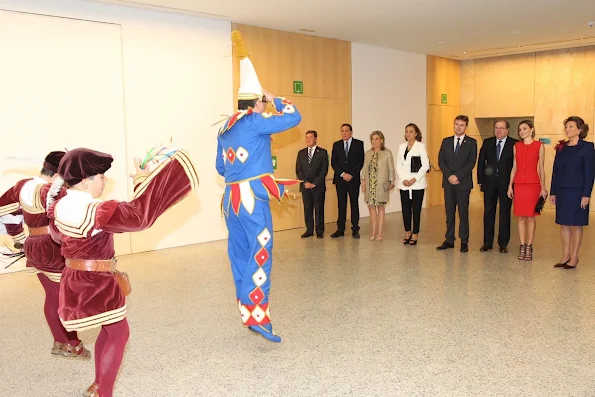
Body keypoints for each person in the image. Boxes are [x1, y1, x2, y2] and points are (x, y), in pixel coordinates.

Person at [49, 147, 198, 397]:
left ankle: (99, 384)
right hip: (96, 281)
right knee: (119, 332)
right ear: (85, 181)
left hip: (75, 278)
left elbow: (56, 236)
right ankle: (104, 392)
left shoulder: (61, 205)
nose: (104, 181)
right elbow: (140, 217)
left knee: (108, 330)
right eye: (100, 177)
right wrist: (144, 179)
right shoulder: (96, 209)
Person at [216, 31, 302, 343]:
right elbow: (294, 116)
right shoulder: (255, 121)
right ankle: (258, 315)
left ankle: (245, 308)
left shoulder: (225, 129)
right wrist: (274, 98)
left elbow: (221, 168)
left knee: (238, 252)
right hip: (252, 198)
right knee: (261, 250)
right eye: (262, 103)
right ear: (257, 103)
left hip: (230, 199)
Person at [0, 151, 91, 359]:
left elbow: (6, 210)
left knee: (52, 296)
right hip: (52, 248)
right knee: (64, 299)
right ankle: (72, 344)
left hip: (33, 246)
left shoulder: (22, 185)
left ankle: (60, 342)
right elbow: (72, 217)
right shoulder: (52, 191)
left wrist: (20, 238)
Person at [550, 116, 595, 269]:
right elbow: (555, 171)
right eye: (566, 127)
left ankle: (574, 256)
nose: (567, 130)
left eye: (570, 127)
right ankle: (565, 255)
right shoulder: (561, 148)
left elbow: (590, 173)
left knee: (576, 224)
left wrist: (586, 194)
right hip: (562, 190)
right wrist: (553, 192)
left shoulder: (587, 147)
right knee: (563, 223)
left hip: (578, 192)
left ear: (580, 130)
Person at [436, 115, 478, 253]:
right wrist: (449, 176)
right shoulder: (446, 141)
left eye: (461, 125)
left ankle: (464, 241)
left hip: (463, 183)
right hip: (448, 183)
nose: (458, 127)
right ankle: (449, 239)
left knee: (463, 213)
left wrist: (457, 176)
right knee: (449, 213)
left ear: (466, 127)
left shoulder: (472, 142)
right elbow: (441, 161)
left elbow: (471, 162)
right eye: (456, 124)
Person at [507, 120, 547, 261]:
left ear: (532, 129)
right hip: (519, 184)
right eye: (519, 130)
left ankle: (529, 246)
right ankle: (522, 245)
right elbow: (514, 167)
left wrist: (543, 187)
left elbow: (541, 168)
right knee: (520, 216)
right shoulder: (516, 146)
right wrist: (510, 186)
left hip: (533, 184)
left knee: (530, 216)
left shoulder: (539, 145)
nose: (521, 131)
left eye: (524, 128)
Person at [477, 120, 517, 253]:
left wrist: (513, 184)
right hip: (489, 184)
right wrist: (480, 181)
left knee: (505, 213)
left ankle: (503, 243)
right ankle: (487, 242)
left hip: (507, 185)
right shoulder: (488, 142)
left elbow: (516, 166)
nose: (498, 131)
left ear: (507, 130)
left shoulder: (514, 144)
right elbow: (481, 162)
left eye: (501, 128)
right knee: (488, 212)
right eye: (496, 128)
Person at [396, 123, 429, 245]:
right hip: (403, 183)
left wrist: (414, 179)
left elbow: (425, 165)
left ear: (416, 133)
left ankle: (415, 233)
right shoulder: (401, 146)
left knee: (416, 210)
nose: (408, 133)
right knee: (405, 209)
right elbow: (398, 164)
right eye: (406, 131)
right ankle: (407, 231)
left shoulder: (420, 146)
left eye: (411, 131)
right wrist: (403, 179)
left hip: (417, 184)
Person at [330, 123, 365, 238]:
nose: (344, 133)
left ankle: (355, 229)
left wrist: (351, 174)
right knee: (341, 204)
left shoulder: (359, 144)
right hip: (340, 180)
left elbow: (360, 161)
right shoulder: (336, 145)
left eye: (346, 131)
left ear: (351, 132)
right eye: (342, 131)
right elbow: (333, 162)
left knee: (354, 204)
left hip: (353, 179)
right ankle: (340, 229)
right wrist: (343, 174)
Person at [361, 131, 395, 241]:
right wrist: (363, 181)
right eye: (372, 139)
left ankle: (380, 233)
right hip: (370, 185)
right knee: (371, 207)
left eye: (376, 139)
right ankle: (373, 232)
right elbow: (365, 168)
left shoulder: (387, 153)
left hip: (381, 184)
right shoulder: (367, 153)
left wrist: (391, 181)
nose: (374, 141)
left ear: (381, 140)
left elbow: (391, 168)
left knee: (380, 208)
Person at [296, 130, 328, 238]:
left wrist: (314, 183)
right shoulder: (301, 153)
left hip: (318, 187)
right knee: (307, 209)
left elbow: (324, 170)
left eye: (310, 137)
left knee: (319, 209)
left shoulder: (322, 152)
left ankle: (319, 231)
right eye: (307, 138)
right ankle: (309, 230)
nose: (308, 140)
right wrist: (305, 182)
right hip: (305, 186)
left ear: (315, 138)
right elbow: (298, 170)